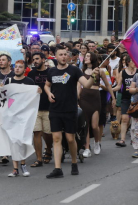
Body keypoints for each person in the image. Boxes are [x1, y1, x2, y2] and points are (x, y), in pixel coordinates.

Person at [44, 45, 100, 178]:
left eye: (65, 54)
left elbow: (86, 85)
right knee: (56, 138)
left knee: (70, 138)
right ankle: (58, 168)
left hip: (70, 110)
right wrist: (48, 93)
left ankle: (74, 162)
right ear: (56, 57)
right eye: (61, 54)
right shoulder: (51, 71)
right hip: (55, 110)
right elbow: (47, 85)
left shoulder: (74, 70)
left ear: (68, 56)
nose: (63, 57)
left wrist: (93, 76)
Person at [4, 60, 40, 177]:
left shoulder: (29, 81)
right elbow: (2, 94)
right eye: (16, 67)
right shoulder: (9, 81)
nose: (17, 69)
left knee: (23, 140)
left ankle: (23, 165)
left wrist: (38, 91)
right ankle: (15, 168)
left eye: (20, 67)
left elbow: (34, 95)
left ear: (24, 69)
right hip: (12, 116)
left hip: (25, 116)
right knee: (13, 142)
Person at [79, 52, 115, 158]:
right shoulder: (81, 71)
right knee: (86, 125)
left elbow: (108, 85)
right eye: (85, 56)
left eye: (88, 56)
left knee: (95, 125)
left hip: (95, 98)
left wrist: (113, 97)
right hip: (84, 98)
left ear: (93, 58)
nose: (86, 58)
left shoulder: (99, 71)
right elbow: (79, 86)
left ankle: (97, 142)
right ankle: (86, 147)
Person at [27, 52, 53, 167]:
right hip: (35, 108)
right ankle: (39, 159)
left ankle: (48, 149)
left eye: (37, 59)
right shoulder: (31, 74)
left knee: (47, 133)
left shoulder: (50, 72)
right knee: (36, 132)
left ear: (43, 59)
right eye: (33, 59)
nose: (35, 61)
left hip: (48, 107)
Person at [112, 55, 138, 147]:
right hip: (125, 98)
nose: (134, 62)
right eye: (132, 61)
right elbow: (119, 86)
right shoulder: (123, 72)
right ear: (128, 62)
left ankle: (135, 138)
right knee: (124, 119)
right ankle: (122, 140)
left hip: (137, 99)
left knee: (135, 119)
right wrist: (111, 89)